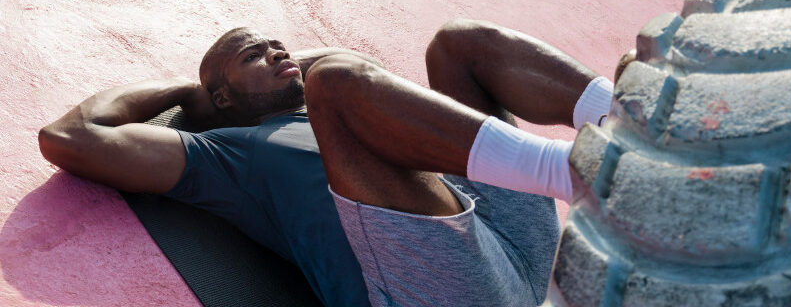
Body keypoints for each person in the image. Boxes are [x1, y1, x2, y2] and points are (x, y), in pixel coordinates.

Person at [39, 19, 619, 306]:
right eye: (254, 55)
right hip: (436, 291)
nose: (280, 52)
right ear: (220, 97)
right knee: (339, 83)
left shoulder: (326, 103)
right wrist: (184, 91)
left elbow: (341, 61)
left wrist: (265, 74)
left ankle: (626, 118)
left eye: (279, 46)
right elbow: (69, 137)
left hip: (510, 246)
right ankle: (580, 171)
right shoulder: (223, 154)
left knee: (456, 44)